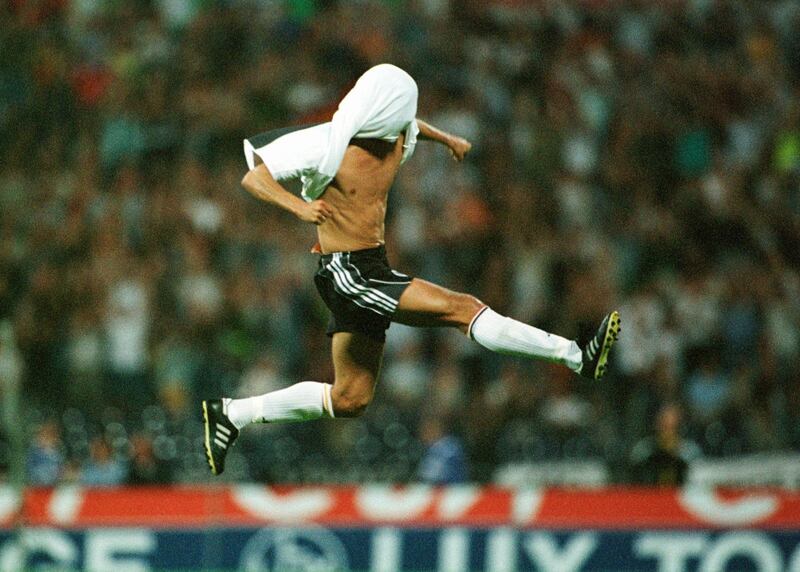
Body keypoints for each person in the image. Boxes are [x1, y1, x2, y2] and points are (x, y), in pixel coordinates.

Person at [202, 64, 621, 475]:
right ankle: (574, 355)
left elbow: (412, 120)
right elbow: (253, 179)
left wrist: (447, 139)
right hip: (348, 272)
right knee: (462, 308)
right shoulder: (326, 143)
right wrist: (301, 207)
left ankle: (233, 414)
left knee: (350, 398)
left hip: (368, 267)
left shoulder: (399, 132)